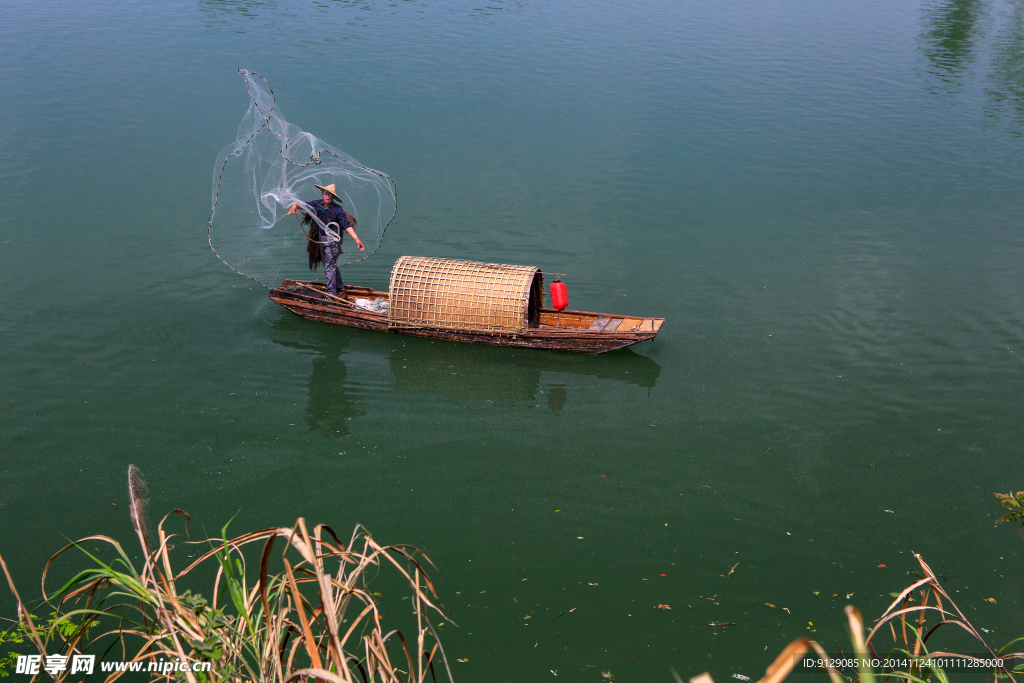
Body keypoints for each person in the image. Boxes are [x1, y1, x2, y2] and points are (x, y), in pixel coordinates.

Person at [288, 183, 364, 296]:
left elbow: (346, 225)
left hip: (332, 241)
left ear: (333, 197)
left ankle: (330, 294)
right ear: (323, 194)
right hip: (321, 239)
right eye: (326, 193)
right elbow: (304, 205)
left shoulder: (338, 210)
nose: (327, 196)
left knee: (329, 267)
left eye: (330, 194)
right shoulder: (317, 204)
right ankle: (339, 287)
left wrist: (356, 239)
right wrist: (295, 206)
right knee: (330, 265)